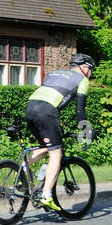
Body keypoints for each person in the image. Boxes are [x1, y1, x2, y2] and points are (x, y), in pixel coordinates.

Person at [25, 53, 95, 212]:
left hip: (30, 108)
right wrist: (86, 129)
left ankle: (22, 167)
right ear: (84, 68)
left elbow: (50, 95)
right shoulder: (82, 80)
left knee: (46, 146)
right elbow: (80, 111)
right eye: (91, 70)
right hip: (47, 112)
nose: (91, 74)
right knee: (56, 153)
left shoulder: (54, 72)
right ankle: (47, 194)